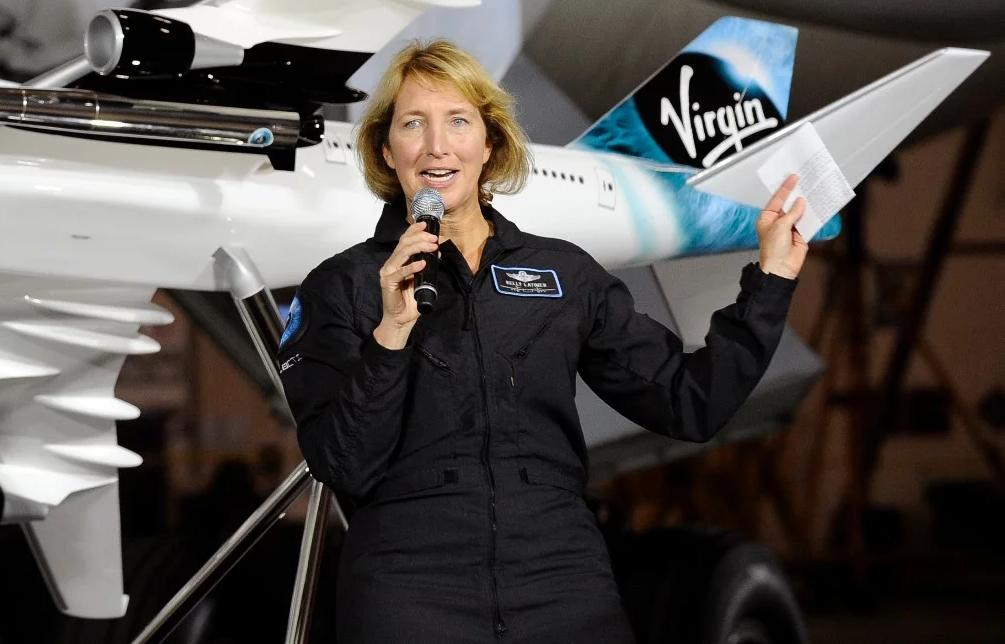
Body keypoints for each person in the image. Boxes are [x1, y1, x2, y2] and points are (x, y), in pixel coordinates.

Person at [275, 40, 808, 644]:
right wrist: (390, 333)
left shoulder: (564, 274)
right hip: (410, 591)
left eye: (458, 121)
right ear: (385, 150)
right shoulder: (340, 287)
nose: (436, 145)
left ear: (489, 144)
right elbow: (342, 464)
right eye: (413, 124)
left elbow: (691, 402)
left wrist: (770, 281)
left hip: (561, 584)